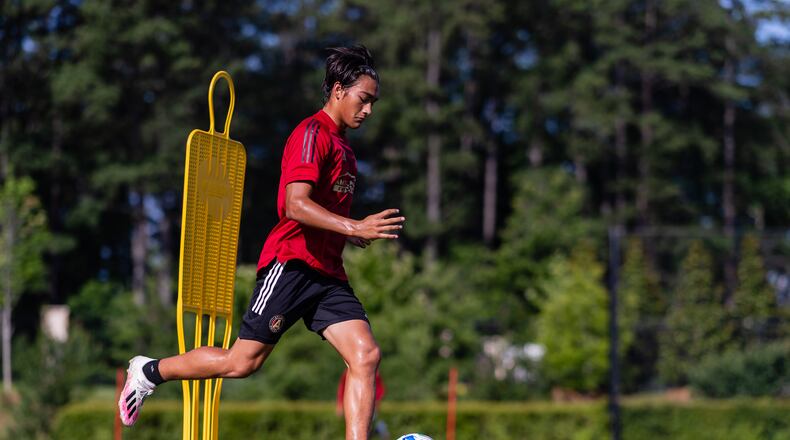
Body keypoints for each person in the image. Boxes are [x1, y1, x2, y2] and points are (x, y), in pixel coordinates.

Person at [118, 44, 404, 440]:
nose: (369, 110)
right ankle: (149, 371)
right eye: (364, 99)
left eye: (374, 102)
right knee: (242, 363)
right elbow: (294, 205)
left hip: (327, 274)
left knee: (366, 354)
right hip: (292, 263)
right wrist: (353, 227)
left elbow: (322, 212)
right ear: (339, 90)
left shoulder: (345, 150)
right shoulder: (312, 134)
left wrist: (344, 232)